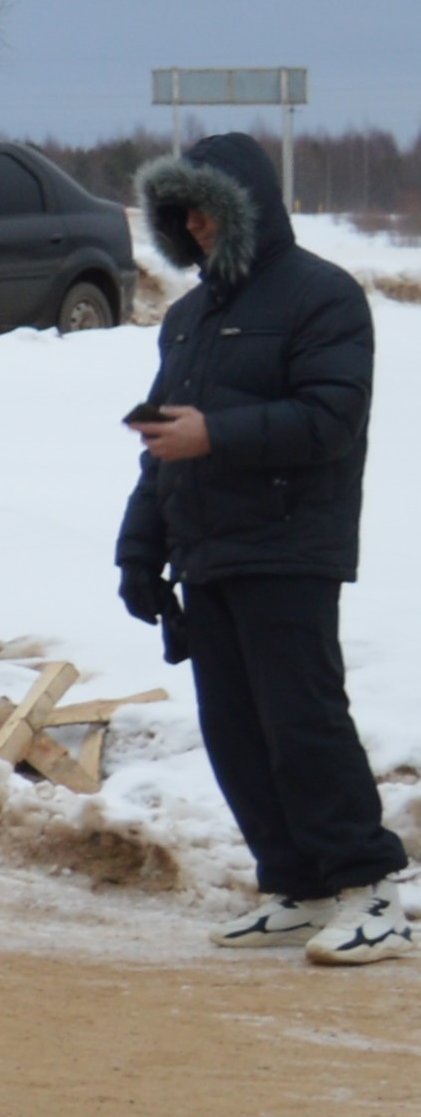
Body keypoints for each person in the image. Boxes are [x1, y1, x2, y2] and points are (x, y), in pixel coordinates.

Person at [120, 131, 407, 964]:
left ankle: (369, 888)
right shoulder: (187, 317)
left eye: (207, 209)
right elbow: (161, 440)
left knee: (302, 722)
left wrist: (218, 435)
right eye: (183, 214)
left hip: (291, 545)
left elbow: (331, 420)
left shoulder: (323, 296)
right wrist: (139, 551)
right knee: (236, 731)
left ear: (247, 208)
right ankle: (300, 885)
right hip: (206, 550)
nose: (197, 226)